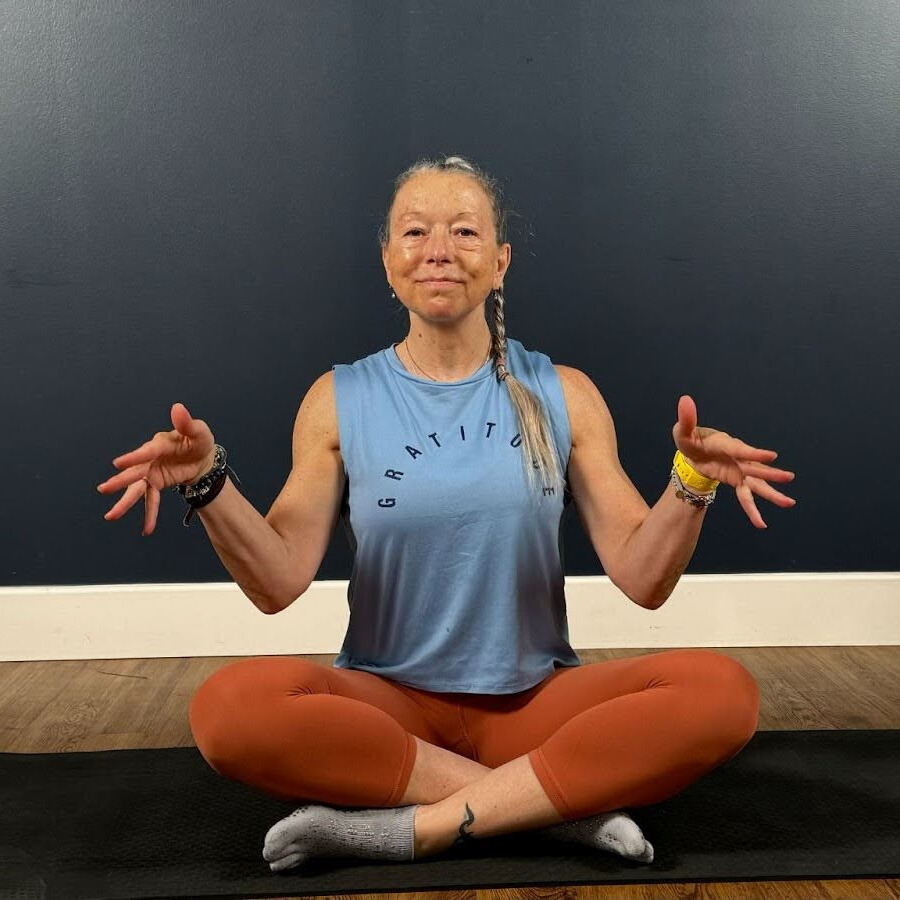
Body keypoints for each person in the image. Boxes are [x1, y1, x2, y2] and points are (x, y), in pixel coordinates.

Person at [97, 155, 796, 872]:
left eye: (464, 231)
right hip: (387, 709)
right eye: (415, 232)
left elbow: (643, 577)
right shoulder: (339, 399)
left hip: (533, 705)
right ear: (388, 262)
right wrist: (207, 482)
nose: (438, 250)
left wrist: (692, 482)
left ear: (499, 263)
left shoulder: (564, 393)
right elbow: (276, 582)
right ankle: (549, 815)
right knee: (228, 708)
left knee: (723, 694)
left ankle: (406, 830)